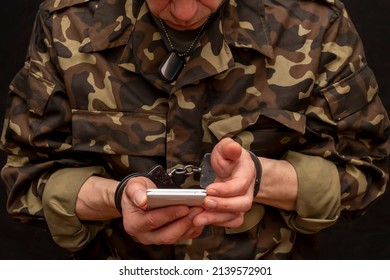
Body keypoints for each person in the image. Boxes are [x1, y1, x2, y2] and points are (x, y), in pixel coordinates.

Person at [0, 0, 389, 260]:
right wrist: (116, 198)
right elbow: (27, 176)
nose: (185, 11)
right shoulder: (67, 21)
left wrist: (263, 179)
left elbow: (364, 170)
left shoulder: (315, 20)